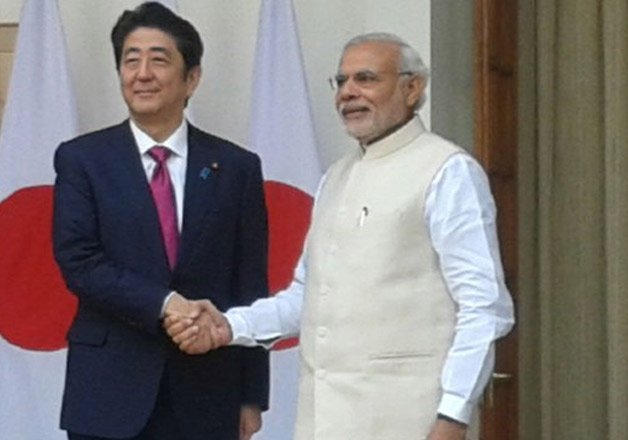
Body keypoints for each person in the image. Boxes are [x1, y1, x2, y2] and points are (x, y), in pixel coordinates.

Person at [167, 32, 515, 440]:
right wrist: (229, 325)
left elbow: (483, 307)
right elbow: (307, 298)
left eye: (365, 79)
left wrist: (453, 414)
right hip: (323, 423)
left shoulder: (447, 171)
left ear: (412, 88)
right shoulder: (336, 176)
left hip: (409, 422)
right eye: (341, 81)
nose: (348, 92)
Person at [52, 3, 269, 439]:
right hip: (109, 390)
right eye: (130, 60)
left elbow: (249, 284)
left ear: (192, 78)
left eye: (159, 59)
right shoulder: (83, 160)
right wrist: (166, 303)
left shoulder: (236, 167)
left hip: (207, 390)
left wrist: (251, 395)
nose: (142, 74)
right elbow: (80, 261)